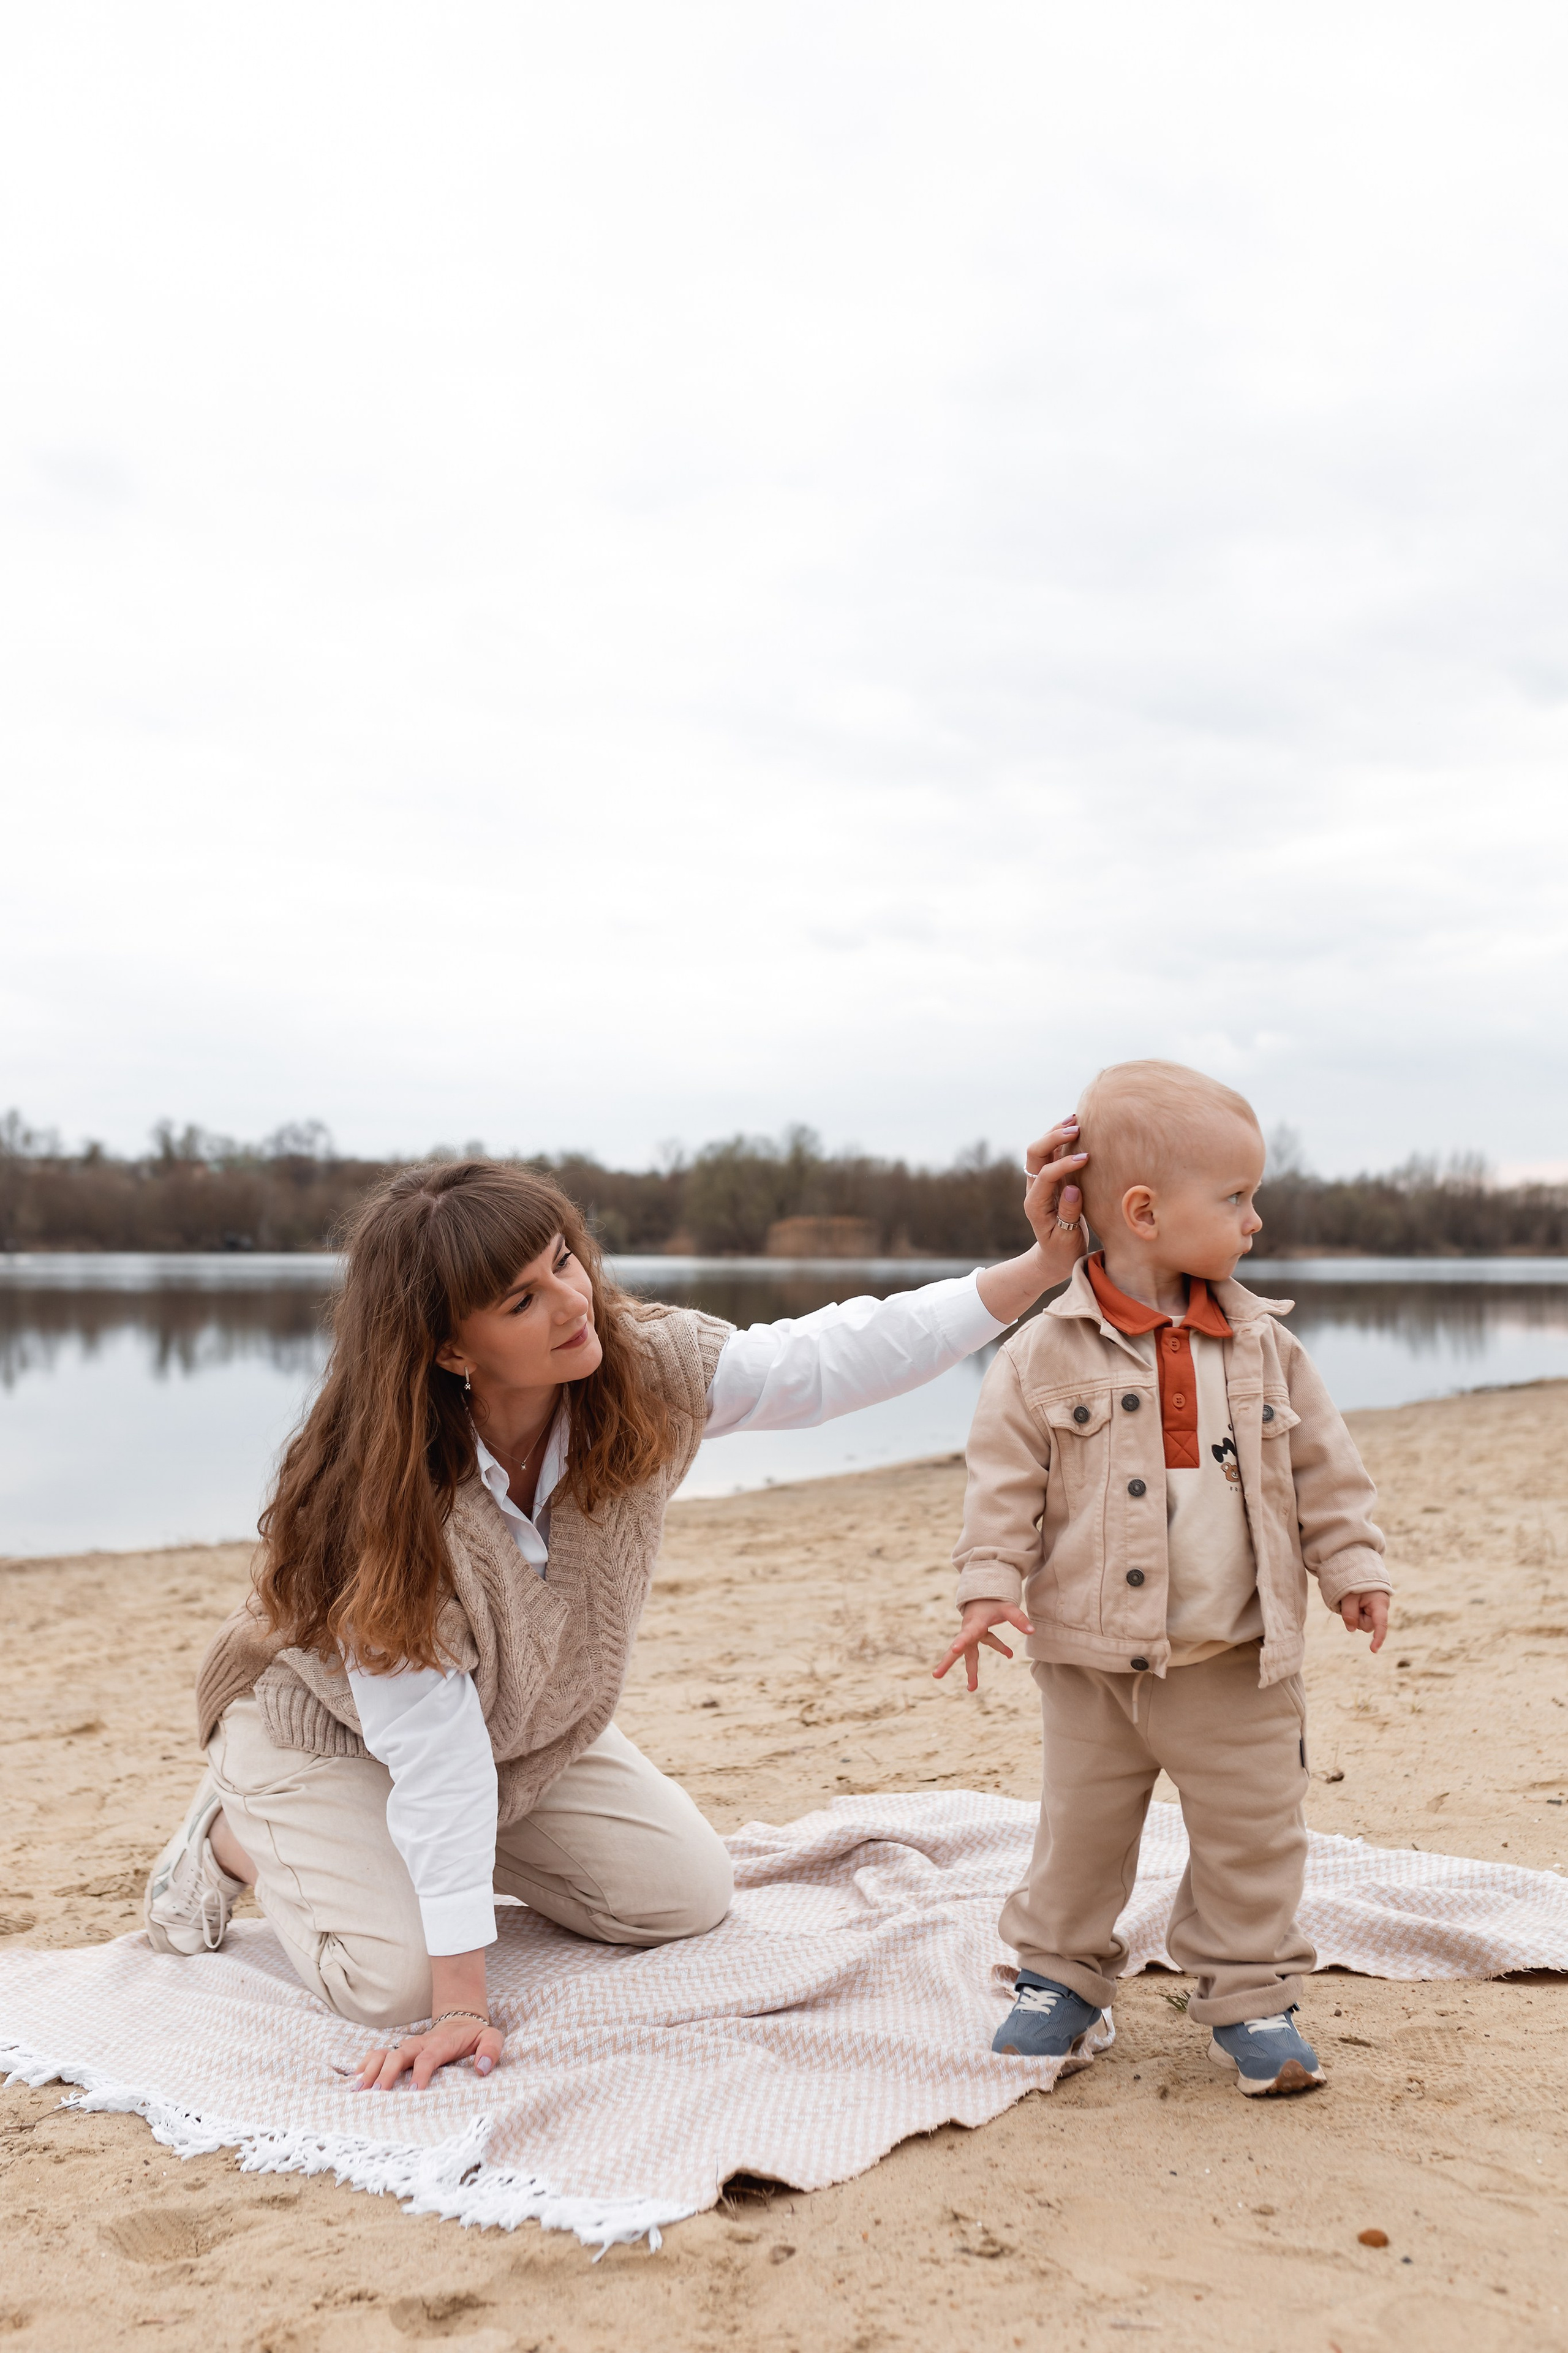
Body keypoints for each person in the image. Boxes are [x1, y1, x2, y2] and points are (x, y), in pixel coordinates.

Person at [145, 1127, 1090, 2091]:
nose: (573, 1301)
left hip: (519, 1726)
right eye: (522, 1299)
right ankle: (236, 1828)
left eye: (563, 1260)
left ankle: (392, 1851)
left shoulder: (641, 1367)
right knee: (394, 1985)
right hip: (322, 1726)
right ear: (446, 1345)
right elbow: (434, 1759)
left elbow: (828, 1358)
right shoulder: (387, 1507)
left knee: (682, 1896)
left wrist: (1038, 1268)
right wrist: (463, 2001)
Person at [933, 1062, 1390, 2097]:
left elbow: (1326, 1468)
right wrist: (985, 1588)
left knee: (1256, 1832)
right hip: (1094, 1662)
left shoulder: (1267, 1346)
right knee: (1079, 1833)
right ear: (1143, 1211)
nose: (1255, 1219)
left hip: (1238, 1659)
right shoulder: (1041, 1355)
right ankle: (1059, 1979)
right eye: (1235, 1199)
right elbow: (1002, 1484)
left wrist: (1352, 1565)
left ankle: (1250, 1992)